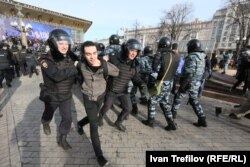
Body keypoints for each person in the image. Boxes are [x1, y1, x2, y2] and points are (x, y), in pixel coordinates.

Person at [77, 41, 119, 167]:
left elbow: (117, 72)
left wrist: (107, 62)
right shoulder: (80, 65)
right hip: (88, 97)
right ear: (83, 55)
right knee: (94, 125)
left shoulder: (105, 65)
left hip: (101, 96)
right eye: (88, 54)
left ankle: (80, 124)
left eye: (94, 53)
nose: (92, 57)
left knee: (93, 117)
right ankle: (99, 155)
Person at [39, 29, 79, 150]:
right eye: (61, 43)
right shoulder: (45, 60)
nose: (64, 46)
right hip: (52, 95)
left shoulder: (70, 57)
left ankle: (62, 138)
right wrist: (75, 68)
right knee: (48, 113)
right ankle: (45, 122)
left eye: (66, 43)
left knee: (68, 118)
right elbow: (57, 76)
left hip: (66, 95)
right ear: (53, 43)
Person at [98, 39, 147, 132]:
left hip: (123, 90)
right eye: (132, 50)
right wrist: (103, 59)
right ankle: (100, 117)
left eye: (136, 51)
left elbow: (136, 78)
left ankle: (118, 122)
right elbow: (100, 61)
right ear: (126, 49)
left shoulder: (135, 64)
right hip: (111, 90)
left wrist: (141, 84)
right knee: (106, 107)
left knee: (128, 108)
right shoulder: (115, 57)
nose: (134, 53)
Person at [141, 37, 180, 130]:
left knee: (152, 100)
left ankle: (150, 121)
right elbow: (176, 72)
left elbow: (155, 69)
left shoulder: (161, 55)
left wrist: (156, 59)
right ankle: (171, 123)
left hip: (161, 83)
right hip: (169, 82)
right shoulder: (175, 57)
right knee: (164, 102)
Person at [171, 39, 207, 127]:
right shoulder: (202, 56)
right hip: (197, 82)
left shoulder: (192, 57)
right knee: (194, 100)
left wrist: (183, 85)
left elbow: (189, 73)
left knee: (178, 96)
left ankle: (172, 115)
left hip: (189, 82)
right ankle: (202, 118)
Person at [216, 42, 250, 119]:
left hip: (247, 84)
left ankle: (232, 113)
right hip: (247, 82)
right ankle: (221, 110)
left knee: (242, 110)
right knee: (241, 110)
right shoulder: (245, 61)